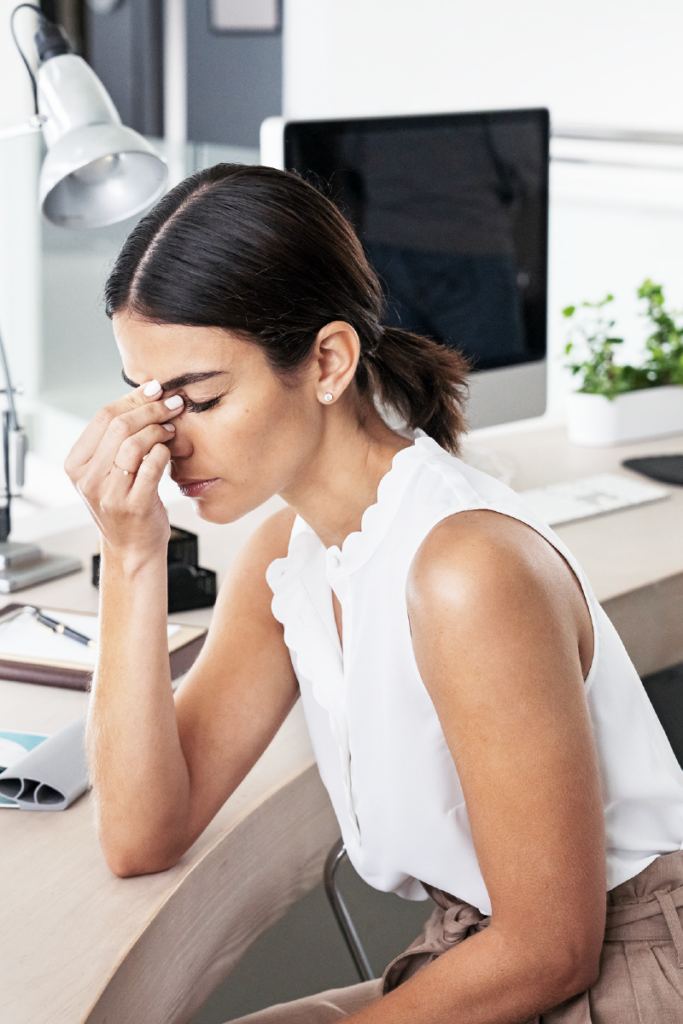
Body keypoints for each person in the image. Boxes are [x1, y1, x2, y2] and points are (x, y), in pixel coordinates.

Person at [66, 163, 683, 1024]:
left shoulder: (464, 569)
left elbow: (552, 948)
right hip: (483, 950)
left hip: (626, 972)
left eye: (198, 397)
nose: (166, 439)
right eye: (148, 399)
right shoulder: (290, 552)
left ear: (326, 361)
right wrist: (130, 554)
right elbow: (141, 835)